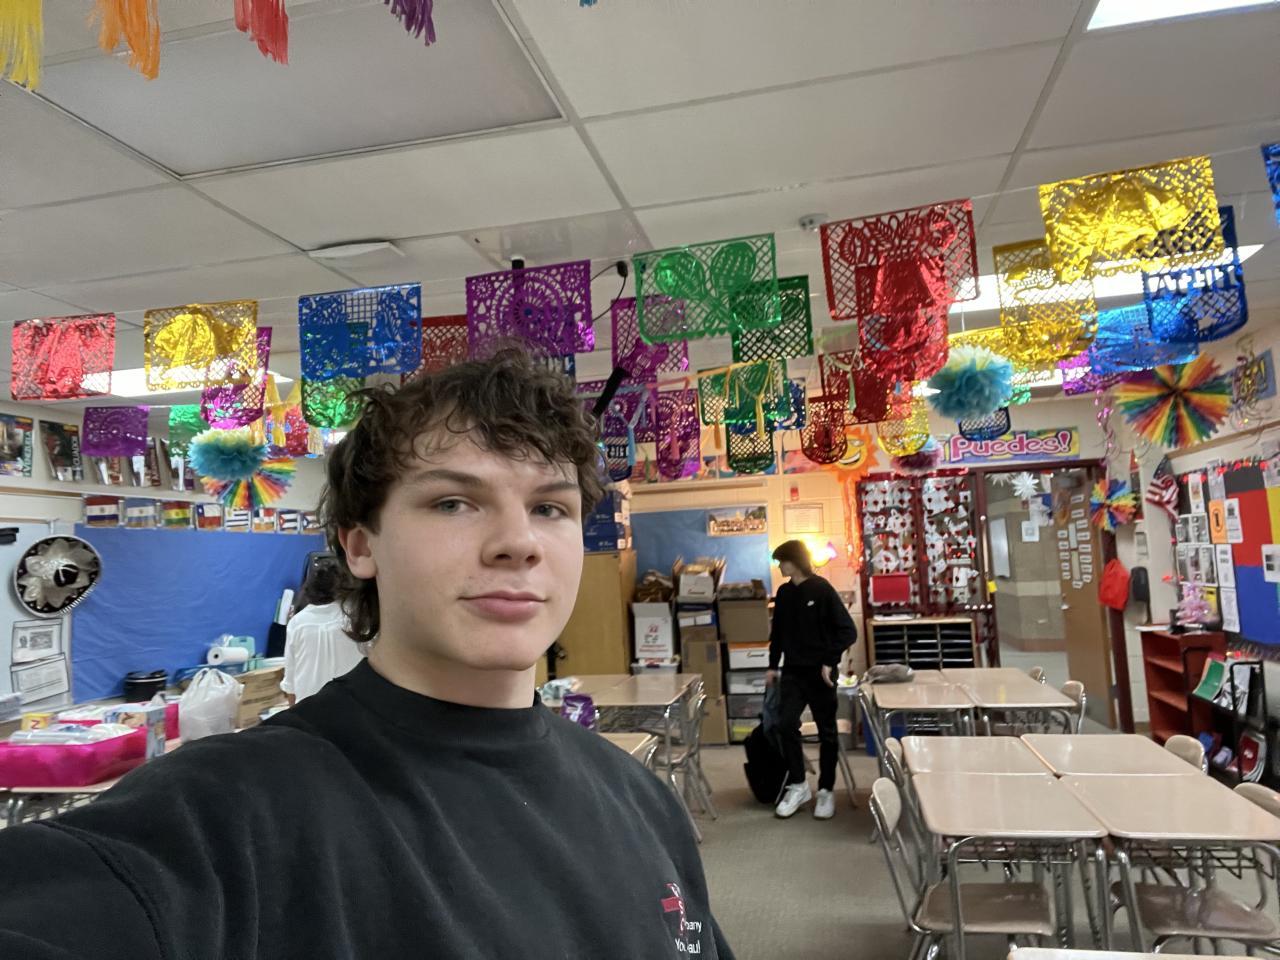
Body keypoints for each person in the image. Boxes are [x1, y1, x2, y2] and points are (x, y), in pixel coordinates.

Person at [0, 350, 734, 960]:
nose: (519, 542)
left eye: (550, 507)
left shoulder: (638, 798)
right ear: (359, 545)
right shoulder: (230, 813)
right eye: (453, 502)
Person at [765, 539, 858, 820]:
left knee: (827, 733)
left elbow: (848, 631)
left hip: (821, 673)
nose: (780, 566)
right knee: (784, 724)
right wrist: (772, 666)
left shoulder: (822, 590)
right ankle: (799, 784)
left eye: (782, 561)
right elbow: (777, 634)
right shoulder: (783, 593)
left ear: (795, 561)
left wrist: (830, 661)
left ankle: (826, 790)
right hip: (793, 672)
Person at [280, 561, 364, 705]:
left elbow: (290, 686)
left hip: (309, 710)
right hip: (353, 708)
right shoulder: (355, 617)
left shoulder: (297, 623)